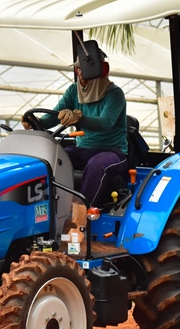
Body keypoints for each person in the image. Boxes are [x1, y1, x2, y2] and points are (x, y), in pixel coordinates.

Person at [25, 42, 128, 207]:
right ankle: (51, 209)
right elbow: (54, 116)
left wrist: (80, 118)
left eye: (83, 69)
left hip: (113, 151)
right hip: (83, 150)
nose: (80, 72)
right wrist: (34, 122)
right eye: (78, 68)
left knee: (97, 165)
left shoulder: (114, 94)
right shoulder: (73, 91)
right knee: (55, 157)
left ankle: (80, 213)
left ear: (102, 69)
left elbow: (105, 123)